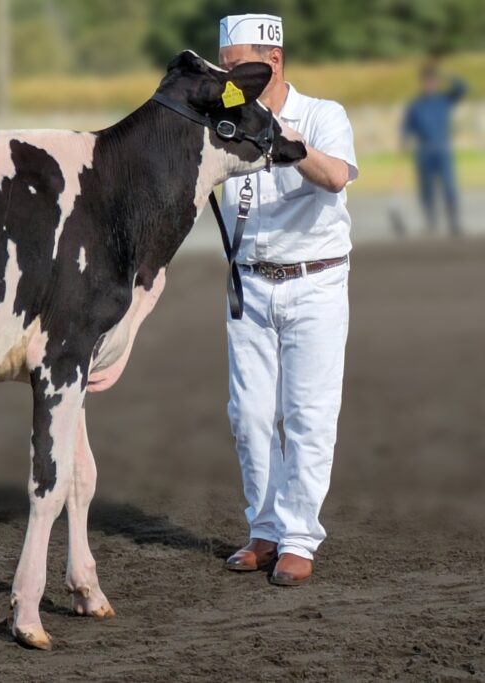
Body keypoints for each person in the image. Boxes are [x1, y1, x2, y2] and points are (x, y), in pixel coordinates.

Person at [217, 14, 358, 586]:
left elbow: (334, 177)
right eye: (224, 67)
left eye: (234, 67)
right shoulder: (225, 118)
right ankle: (266, 529)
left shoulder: (323, 115)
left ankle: (299, 537)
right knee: (249, 416)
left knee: (307, 415)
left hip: (315, 282)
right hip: (247, 281)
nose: (226, 77)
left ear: (272, 61)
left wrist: (279, 138)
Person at [402, 63, 466, 236]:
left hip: (442, 150)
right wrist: (404, 141)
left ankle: (454, 223)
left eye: (432, 81)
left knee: (448, 186)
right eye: (426, 82)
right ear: (422, 83)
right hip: (424, 151)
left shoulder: (444, 100)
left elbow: (462, 88)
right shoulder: (416, 105)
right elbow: (407, 126)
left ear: (436, 82)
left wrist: (446, 75)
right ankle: (431, 224)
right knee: (426, 189)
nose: (429, 85)